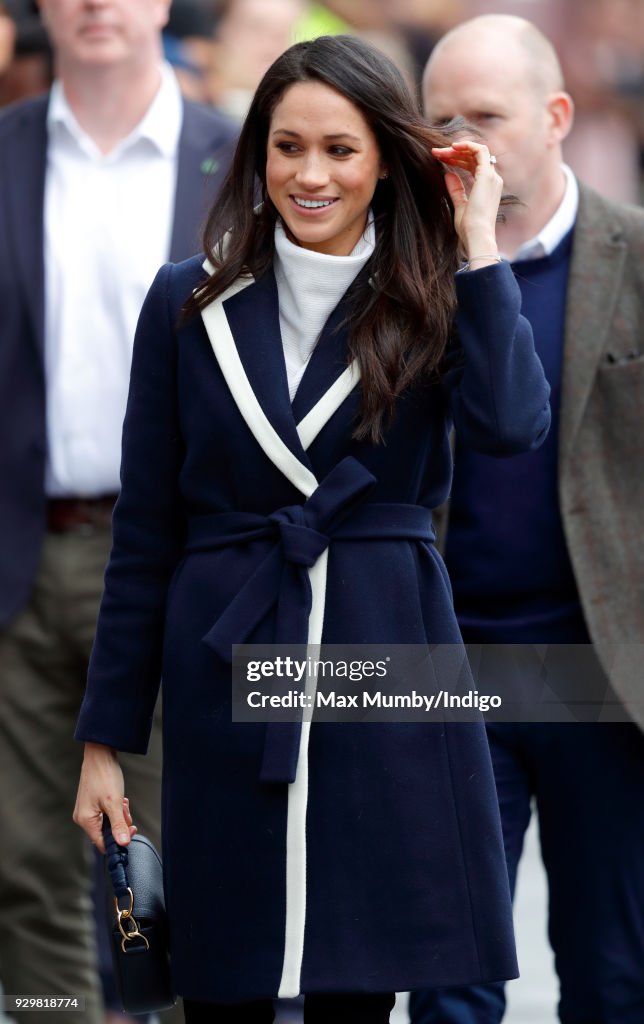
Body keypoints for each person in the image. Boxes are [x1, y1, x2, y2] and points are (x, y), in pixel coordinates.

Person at [73, 33, 551, 1024]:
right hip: (228, 656)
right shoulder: (189, 299)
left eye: (339, 148)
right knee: (223, 973)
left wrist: (477, 242)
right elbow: (145, 533)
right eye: (286, 146)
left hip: (380, 648)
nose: (309, 172)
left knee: (353, 973)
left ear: (384, 157)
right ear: (258, 154)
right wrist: (105, 740)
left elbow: (512, 425)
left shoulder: (432, 293)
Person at [0, 1, 237, 1022]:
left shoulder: (238, 156)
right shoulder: (5, 152)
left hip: (177, 565)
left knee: (168, 861)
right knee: (21, 860)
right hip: (21, 554)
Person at [411, 13, 644, 1024]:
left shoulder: (632, 256)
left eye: (486, 116)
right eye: (438, 120)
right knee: (446, 976)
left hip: (604, 665)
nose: (460, 141)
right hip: (446, 665)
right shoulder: (401, 273)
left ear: (554, 118)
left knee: (612, 970)